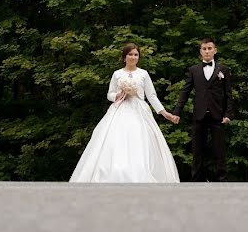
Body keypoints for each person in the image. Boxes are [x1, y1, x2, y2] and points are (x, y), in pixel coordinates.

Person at [69, 43, 181, 183]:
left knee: (139, 139)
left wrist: (164, 113)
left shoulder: (143, 74)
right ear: (124, 57)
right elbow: (109, 94)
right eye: (130, 54)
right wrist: (118, 95)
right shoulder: (117, 74)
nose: (133, 57)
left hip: (139, 109)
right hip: (120, 108)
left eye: (135, 54)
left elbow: (151, 96)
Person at [172, 38, 235, 182]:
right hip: (199, 115)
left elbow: (228, 94)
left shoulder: (223, 69)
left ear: (215, 50)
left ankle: (222, 180)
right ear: (200, 51)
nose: (207, 51)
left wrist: (228, 113)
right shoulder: (194, 70)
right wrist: (177, 112)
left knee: (219, 149)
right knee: (197, 150)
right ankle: (197, 180)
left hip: (217, 115)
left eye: (209, 48)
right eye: (204, 49)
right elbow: (185, 92)